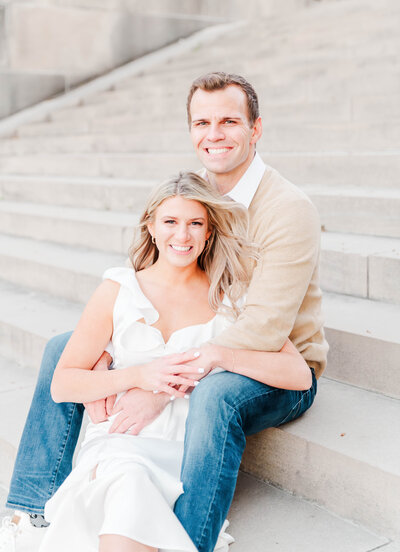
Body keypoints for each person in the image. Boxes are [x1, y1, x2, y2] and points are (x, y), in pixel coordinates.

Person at [1, 72, 328, 552]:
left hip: (269, 365)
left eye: (229, 121)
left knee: (215, 395)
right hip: (208, 342)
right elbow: (159, 282)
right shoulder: (197, 196)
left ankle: (190, 539)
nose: (213, 134)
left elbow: (263, 327)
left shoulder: (287, 208)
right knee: (62, 349)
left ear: (256, 129)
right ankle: (30, 512)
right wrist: (114, 369)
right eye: (202, 122)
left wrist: (159, 388)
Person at [41, 171, 310, 552]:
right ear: (151, 227)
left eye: (195, 223)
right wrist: (138, 376)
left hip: (186, 454)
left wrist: (219, 355)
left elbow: (299, 375)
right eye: (170, 222)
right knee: (127, 484)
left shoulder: (231, 298)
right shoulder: (119, 290)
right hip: (121, 442)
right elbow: (63, 383)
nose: (182, 236)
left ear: (209, 232)